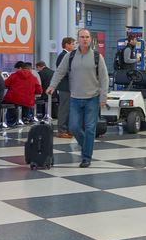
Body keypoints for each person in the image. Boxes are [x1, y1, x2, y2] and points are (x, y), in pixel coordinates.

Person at [47, 28, 110, 168]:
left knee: (90, 128)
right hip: (75, 97)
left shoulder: (97, 57)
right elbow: (59, 72)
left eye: (87, 37)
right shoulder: (69, 56)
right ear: (78, 40)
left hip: (92, 98)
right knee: (74, 127)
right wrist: (52, 86)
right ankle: (86, 146)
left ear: (90, 39)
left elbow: (104, 78)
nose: (85, 39)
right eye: (82, 37)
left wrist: (103, 97)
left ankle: (86, 157)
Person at [54, 37, 76, 139]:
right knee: (64, 109)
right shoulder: (62, 56)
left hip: (70, 86)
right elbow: (62, 71)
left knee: (70, 109)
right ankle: (61, 130)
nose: (74, 46)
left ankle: (68, 129)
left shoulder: (69, 55)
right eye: (72, 44)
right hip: (65, 86)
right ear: (66, 45)